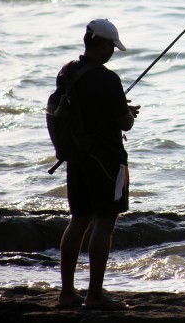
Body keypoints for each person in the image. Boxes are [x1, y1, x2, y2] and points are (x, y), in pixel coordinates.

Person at [56, 18, 140, 310]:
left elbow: (84, 110)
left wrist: (118, 107)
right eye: (112, 46)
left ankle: (67, 293)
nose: (112, 52)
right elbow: (125, 123)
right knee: (104, 224)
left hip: (77, 157)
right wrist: (128, 112)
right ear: (103, 44)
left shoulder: (68, 71)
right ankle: (94, 295)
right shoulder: (107, 79)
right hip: (105, 159)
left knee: (78, 221)